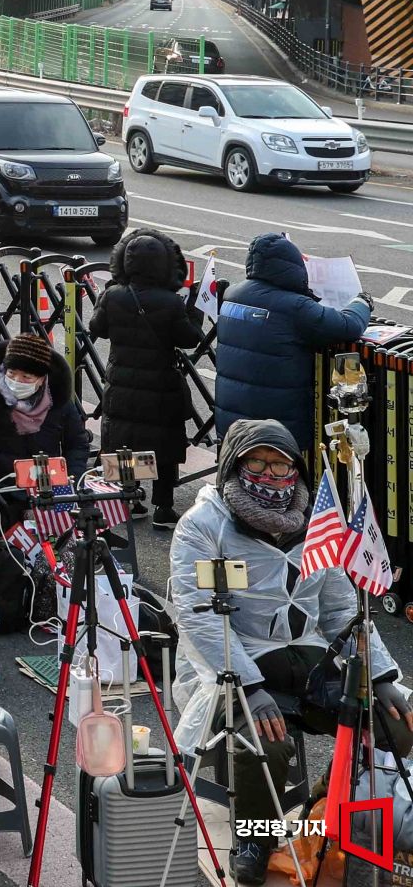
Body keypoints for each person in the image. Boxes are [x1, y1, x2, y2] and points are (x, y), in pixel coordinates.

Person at [169, 419, 409, 884]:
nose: (270, 474)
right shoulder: (201, 525)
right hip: (235, 662)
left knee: (394, 728)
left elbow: (342, 609)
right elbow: (198, 616)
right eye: (256, 462)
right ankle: (255, 838)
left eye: (281, 465)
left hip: (309, 658)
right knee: (267, 744)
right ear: (234, 464)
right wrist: (249, 688)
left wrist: (380, 678)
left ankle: (318, 816)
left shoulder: (319, 521)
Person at [213, 231, 371, 457]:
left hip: (233, 422)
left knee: (240, 478)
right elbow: (348, 326)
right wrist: (361, 302)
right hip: (277, 427)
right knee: (277, 484)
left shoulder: (232, 294)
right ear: (294, 267)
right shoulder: (294, 307)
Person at [87, 228, 206, 527]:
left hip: (121, 382)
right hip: (160, 384)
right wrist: (195, 313)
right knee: (163, 443)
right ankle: (163, 507)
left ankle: (130, 499)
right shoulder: (170, 302)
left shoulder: (114, 295)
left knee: (124, 437)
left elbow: (96, 327)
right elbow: (189, 338)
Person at [0, 333, 91, 531]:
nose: (17, 381)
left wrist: (71, 481)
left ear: (41, 379)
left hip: (47, 489)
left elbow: (77, 443)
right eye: (11, 374)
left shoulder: (59, 404)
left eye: (26, 377)